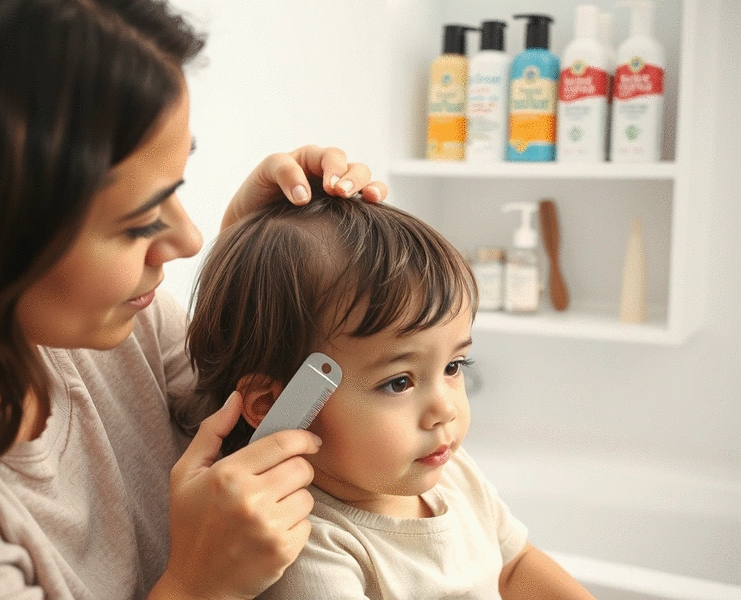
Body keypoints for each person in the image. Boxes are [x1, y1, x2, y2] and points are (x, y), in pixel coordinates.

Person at [0, 1, 388, 599]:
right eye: (138, 222)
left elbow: (232, 397)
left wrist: (251, 266)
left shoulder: (113, 327)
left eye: (175, 188)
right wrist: (198, 586)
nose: (190, 240)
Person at [184, 184, 598, 599]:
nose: (444, 410)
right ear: (276, 406)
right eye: (399, 382)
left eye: (453, 367)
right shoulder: (309, 547)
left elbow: (514, 566)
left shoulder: (452, 473)